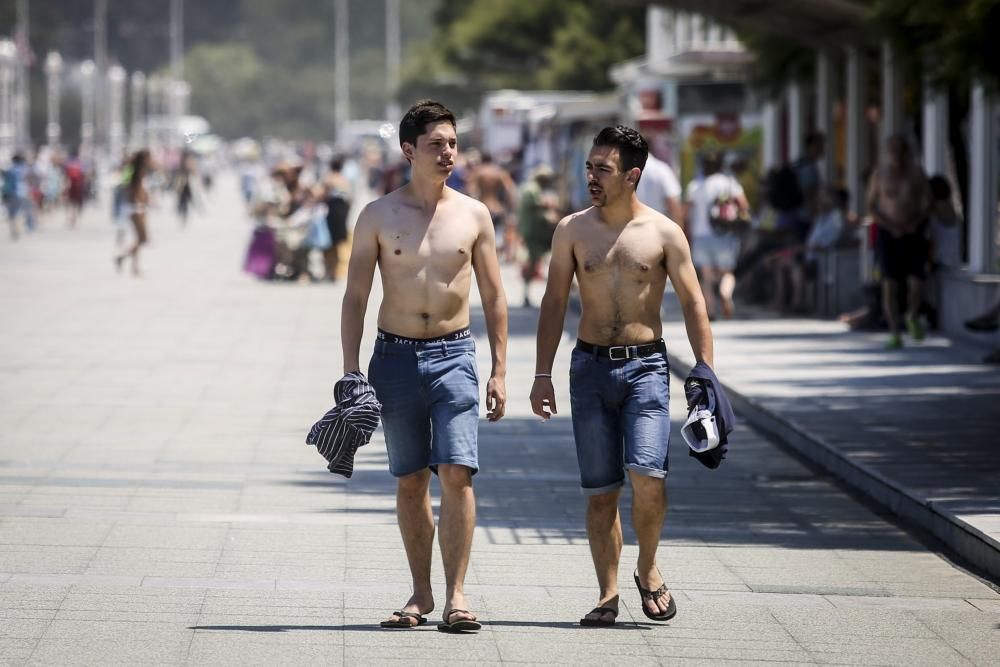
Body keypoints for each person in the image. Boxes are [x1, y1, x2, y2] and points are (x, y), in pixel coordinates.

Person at [530, 125, 714, 627]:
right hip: (588, 368)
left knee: (648, 477)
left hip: (647, 369)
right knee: (601, 491)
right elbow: (552, 303)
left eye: (602, 169)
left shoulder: (662, 232)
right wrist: (541, 373)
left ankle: (648, 568)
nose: (591, 176)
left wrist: (705, 374)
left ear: (632, 175)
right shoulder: (571, 229)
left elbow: (695, 302)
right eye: (589, 167)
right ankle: (607, 594)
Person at [341, 100, 508, 633]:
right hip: (394, 357)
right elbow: (355, 298)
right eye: (437, 144)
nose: (448, 153)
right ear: (409, 150)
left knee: (457, 472)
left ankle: (458, 597)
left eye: (453, 143)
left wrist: (501, 369)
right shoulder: (378, 215)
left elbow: (495, 295)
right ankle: (421, 594)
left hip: (455, 354)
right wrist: (350, 371)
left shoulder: (473, 214)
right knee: (411, 480)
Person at [866, 134, 932, 349]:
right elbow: (871, 206)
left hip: (913, 232)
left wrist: (916, 222)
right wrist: (889, 225)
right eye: (893, 149)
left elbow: (928, 202)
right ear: (887, 151)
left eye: (901, 149)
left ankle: (912, 314)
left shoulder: (916, 173)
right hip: (888, 233)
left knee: (916, 282)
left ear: (907, 151)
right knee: (889, 285)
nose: (897, 153)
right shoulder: (880, 174)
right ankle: (895, 332)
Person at [684, 151, 750, 319]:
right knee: (727, 272)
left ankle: (711, 311)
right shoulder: (729, 183)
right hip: (725, 235)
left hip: (701, 236)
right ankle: (725, 293)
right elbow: (744, 206)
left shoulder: (695, 186)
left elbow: (685, 213)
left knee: (706, 277)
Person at [517, 165, 560, 307]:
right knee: (534, 262)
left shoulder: (532, 188)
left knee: (539, 261)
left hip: (536, 232)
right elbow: (535, 206)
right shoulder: (532, 189)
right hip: (534, 232)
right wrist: (549, 206)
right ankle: (528, 295)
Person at [468, 152, 517, 262]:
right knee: (497, 233)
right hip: (497, 208)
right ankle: (497, 256)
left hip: (483, 207)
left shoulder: (478, 172)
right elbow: (510, 189)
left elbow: (470, 189)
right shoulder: (499, 172)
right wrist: (510, 206)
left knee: (481, 235)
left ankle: (485, 258)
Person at [114, 149, 151, 277]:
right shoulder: (137, 172)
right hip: (136, 208)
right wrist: (140, 200)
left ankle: (134, 267)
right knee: (142, 238)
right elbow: (133, 190)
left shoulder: (135, 170)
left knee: (139, 239)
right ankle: (123, 258)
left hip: (136, 208)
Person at [322, 155, 352, 282]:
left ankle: (330, 270)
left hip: (331, 212)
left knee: (329, 242)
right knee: (338, 242)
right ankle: (334, 271)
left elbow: (322, 195)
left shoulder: (329, 179)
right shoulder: (344, 180)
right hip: (342, 212)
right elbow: (350, 199)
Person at [636, 152, 682, 224]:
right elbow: (673, 205)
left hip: (631, 228)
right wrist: (679, 231)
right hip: (656, 228)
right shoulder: (661, 169)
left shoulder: (624, 170)